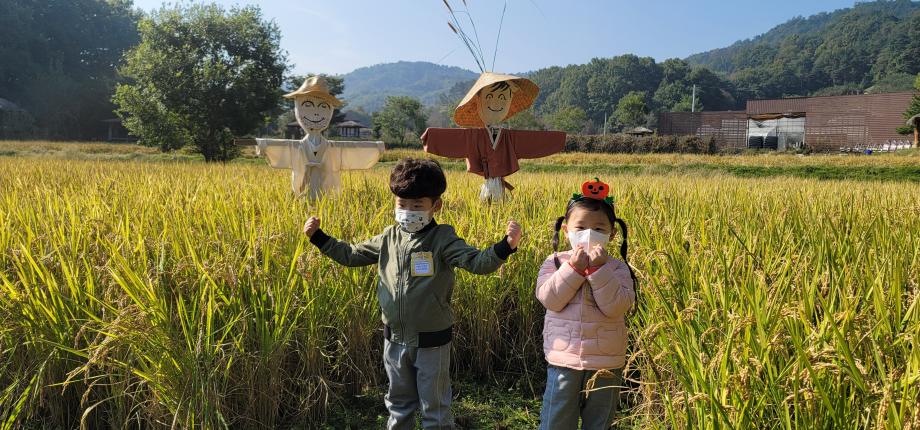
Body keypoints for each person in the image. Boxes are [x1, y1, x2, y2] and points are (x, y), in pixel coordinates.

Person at [303, 158, 522, 429]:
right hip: (394, 339)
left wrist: (505, 246)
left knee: (435, 406)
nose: (408, 211)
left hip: (432, 341)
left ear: (435, 206)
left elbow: (476, 262)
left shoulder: (442, 238)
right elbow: (351, 255)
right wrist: (319, 238)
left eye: (417, 205)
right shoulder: (388, 237)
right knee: (398, 401)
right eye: (402, 205)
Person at [535, 178, 637, 429]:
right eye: (580, 227)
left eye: (599, 229)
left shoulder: (618, 268)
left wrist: (598, 270)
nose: (589, 234)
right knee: (556, 422)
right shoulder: (555, 262)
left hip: (606, 364)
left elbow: (617, 306)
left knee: (599, 423)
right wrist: (574, 269)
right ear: (566, 230)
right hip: (563, 360)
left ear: (612, 234)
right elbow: (549, 299)